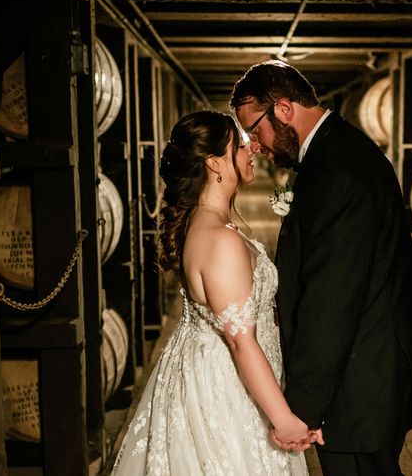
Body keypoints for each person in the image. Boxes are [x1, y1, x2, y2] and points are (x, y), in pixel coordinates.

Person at [231, 61, 412, 475]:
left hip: (360, 380)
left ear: (283, 109)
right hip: (363, 369)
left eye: (253, 129)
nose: (255, 145)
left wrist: (304, 408)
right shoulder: (335, 152)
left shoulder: (338, 172)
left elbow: (331, 302)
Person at [112, 110, 317, 475]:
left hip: (216, 374)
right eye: (240, 145)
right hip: (225, 391)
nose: (252, 147)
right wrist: (283, 419)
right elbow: (241, 342)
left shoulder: (208, 223)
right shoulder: (220, 240)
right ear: (214, 162)